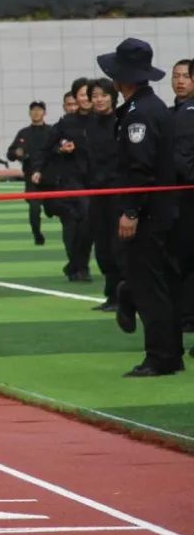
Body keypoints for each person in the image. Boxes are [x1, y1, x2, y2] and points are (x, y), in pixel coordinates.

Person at [99, 39, 184, 377]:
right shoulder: (150, 107)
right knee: (161, 285)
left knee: (150, 287)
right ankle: (170, 353)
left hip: (148, 213)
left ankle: (161, 357)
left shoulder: (140, 114)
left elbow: (140, 168)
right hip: (161, 210)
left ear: (122, 78)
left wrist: (131, 211)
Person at [34, 79, 93, 283]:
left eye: (89, 94)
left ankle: (76, 265)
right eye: (81, 95)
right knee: (71, 224)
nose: (85, 99)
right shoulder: (66, 123)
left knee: (87, 225)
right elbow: (47, 148)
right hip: (69, 181)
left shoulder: (104, 120)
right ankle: (79, 267)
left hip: (94, 181)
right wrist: (59, 150)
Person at [85, 80, 124, 311]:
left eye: (103, 95)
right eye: (95, 96)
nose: (99, 100)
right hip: (97, 193)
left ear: (112, 97)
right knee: (102, 247)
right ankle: (111, 295)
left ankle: (124, 296)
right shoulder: (90, 124)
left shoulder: (122, 121)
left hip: (118, 192)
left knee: (118, 246)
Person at [170, 59, 194, 341]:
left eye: (186, 76)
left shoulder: (187, 114)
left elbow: (182, 159)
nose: (180, 81)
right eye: (176, 76)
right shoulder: (172, 112)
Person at [6, 102, 51, 246]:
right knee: (34, 209)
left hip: (51, 176)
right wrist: (16, 153)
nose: (36, 112)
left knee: (58, 208)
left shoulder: (51, 131)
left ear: (44, 113)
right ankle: (37, 234)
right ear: (29, 113)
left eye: (39, 110)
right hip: (31, 177)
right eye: (33, 110)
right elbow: (10, 154)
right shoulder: (23, 133)